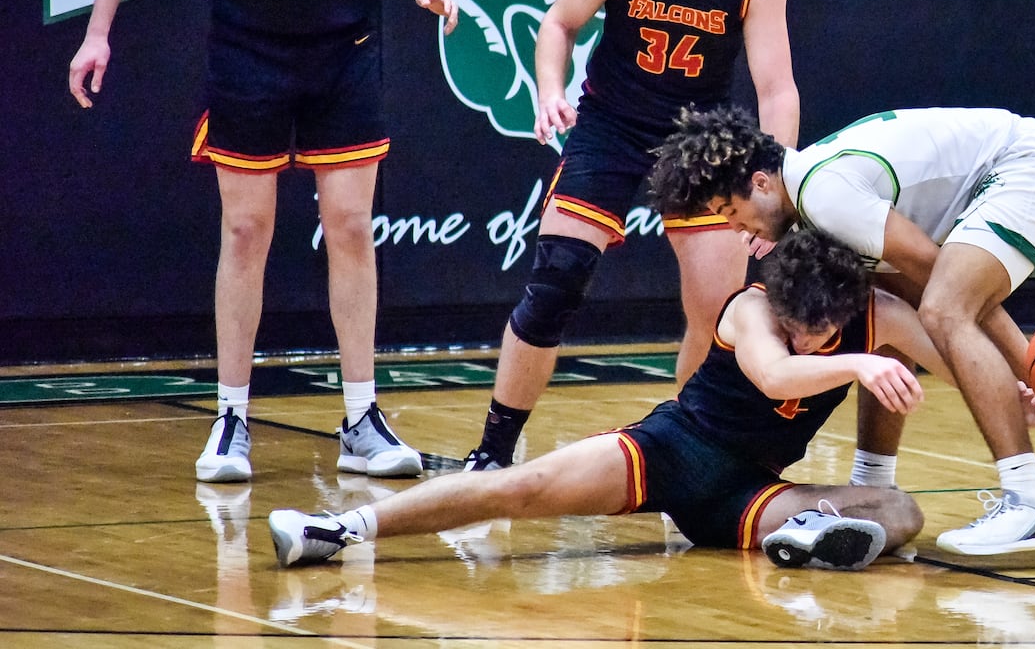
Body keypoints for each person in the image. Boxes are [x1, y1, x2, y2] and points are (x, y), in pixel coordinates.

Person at [67, 0, 459, 483]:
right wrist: (98, 29)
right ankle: (232, 418)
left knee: (351, 227)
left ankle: (360, 416)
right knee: (246, 232)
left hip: (343, 48)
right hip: (251, 52)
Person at [269, 228, 934, 570]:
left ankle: (809, 536)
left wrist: (1030, 396)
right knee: (517, 488)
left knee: (902, 512)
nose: (802, 335)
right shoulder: (751, 308)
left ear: (847, 307)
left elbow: (961, 358)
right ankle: (340, 530)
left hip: (747, 494)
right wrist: (861, 363)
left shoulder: (879, 316)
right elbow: (778, 378)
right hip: (672, 449)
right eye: (794, 323)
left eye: (817, 330)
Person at [461, 0, 800, 471]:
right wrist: (549, 89)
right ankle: (494, 451)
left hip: (700, 142)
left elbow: (777, 88)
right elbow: (558, 23)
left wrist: (776, 187)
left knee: (715, 311)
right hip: (613, 124)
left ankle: (692, 459)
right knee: (556, 280)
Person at [649, 104, 1035, 555]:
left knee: (944, 306)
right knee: (885, 314)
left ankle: (1030, 502)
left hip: (1027, 166)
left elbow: (944, 285)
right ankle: (872, 483)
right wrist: (1014, 390)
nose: (735, 227)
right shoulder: (811, 199)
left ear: (761, 183)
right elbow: (902, 295)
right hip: (998, 171)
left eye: (731, 210)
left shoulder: (825, 196)